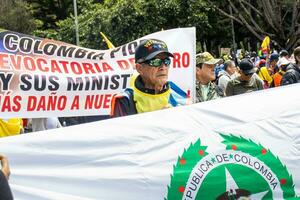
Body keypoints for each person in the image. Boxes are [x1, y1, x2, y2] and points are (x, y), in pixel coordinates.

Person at [110, 39, 187, 117]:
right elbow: (121, 129)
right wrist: (161, 120)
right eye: (156, 62)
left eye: (167, 61)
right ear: (139, 68)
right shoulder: (125, 100)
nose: (163, 67)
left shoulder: (180, 95)